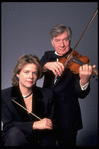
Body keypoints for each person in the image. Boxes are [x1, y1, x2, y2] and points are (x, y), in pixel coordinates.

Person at [40, 25, 96, 146]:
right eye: (57, 40)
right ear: (52, 42)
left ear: (69, 40)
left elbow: (81, 94)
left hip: (68, 118)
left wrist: (84, 80)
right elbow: (35, 72)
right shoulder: (47, 56)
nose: (62, 44)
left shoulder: (79, 61)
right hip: (46, 116)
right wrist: (45, 66)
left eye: (65, 40)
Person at [1, 54, 56, 146]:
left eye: (34, 73)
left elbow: (50, 124)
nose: (31, 76)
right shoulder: (4, 95)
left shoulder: (47, 94)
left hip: (39, 140)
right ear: (17, 74)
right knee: (14, 133)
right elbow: (8, 125)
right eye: (26, 72)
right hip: (15, 140)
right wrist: (34, 125)